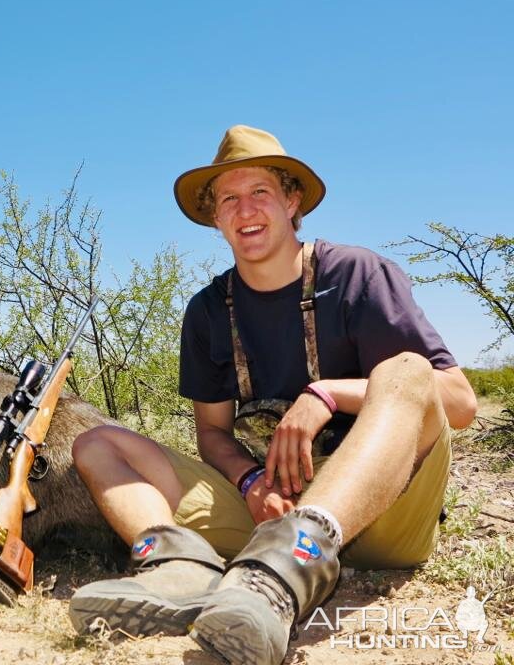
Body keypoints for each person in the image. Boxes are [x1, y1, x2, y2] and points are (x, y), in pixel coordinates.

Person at [68, 125, 477, 665]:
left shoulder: (356, 274)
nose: (245, 210)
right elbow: (212, 433)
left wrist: (326, 394)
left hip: (383, 521)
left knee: (405, 369)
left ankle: (288, 573)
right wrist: (249, 477)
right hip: (271, 518)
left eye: (260, 191)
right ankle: (180, 569)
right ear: (214, 218)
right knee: (97, 443)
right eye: (228, 199)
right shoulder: (209, 310)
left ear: (291, 200)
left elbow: (459, 401)